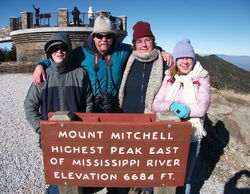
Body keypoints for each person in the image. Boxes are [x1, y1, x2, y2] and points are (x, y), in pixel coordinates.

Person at [33, 15, 173, 114]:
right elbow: (60, 59)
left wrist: (160, 50)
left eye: (108, 36)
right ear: (93, 37)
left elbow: (142, 48)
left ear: (113, 37)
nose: (104, 39)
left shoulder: (122, 51)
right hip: (90, 106)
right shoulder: (81, 53)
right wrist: (41, 64)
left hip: (115, 107)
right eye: (99, 36)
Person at [152, 39, 211, 194]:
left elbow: (201, 108)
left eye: (188, 58)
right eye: (181, 58)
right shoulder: (169, 77)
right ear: (176, 60)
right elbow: (155, 105)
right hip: (169, 134)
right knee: (167, 172)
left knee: (186, 177)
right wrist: (171, 106)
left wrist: (184, 109)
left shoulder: (202, 77)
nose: (185, 62)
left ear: (193, 59)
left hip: (191, 134)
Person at [118, 21, 168, 194]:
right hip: (127, 115)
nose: (144, 44)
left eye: (148, 40)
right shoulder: (128, 58)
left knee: (148, 155)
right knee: (128, 154)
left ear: (154, 41)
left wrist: (161, 50)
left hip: (150, 117)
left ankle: (145, 187)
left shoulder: (164, 62)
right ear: (134, 44)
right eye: (140, 41)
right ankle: (130, 184)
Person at [24, 32, 94, 148]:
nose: (59, 52)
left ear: (69, 50)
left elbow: (89, 103)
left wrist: (85, 127)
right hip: (51, 138)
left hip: (77, 136)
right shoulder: (43, 76)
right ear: (49, 53)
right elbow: (30, 105)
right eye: (54, 49)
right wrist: (41, 128)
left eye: (63, 48)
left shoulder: (81, 73)